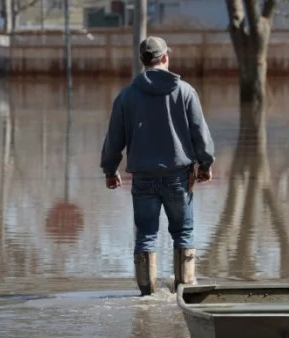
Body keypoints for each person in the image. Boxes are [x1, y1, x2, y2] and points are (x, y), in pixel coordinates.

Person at [100, 36, 215, 296]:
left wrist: (110, 170)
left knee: (146, 236)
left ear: (143, 61)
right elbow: (200, 133)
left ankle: (147, 297)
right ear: (165, 58)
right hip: (179, 177)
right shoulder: (185, 91)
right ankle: (185, 294)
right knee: (183, 233)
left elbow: (113, 139)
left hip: (143, 178)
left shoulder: (126, 96)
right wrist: (205, 163)